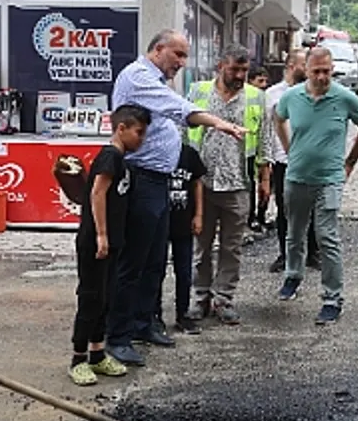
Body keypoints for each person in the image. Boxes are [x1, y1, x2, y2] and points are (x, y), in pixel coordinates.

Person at [108, 29, 247, 367]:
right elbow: (180, 109)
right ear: (158, 49)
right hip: (141, 180)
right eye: (178, 55)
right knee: (133, 264)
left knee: (155, 261)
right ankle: (118, 337)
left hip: (159, 183)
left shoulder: (156, 79)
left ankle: (144, 324)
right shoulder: (139, 77)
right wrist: (219, 123)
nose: (182, 63)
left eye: (185, 56)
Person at [274, 46, 358, 325]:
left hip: (329, 178)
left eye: (326, 71)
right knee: (294, 231)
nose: (321, 77)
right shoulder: (292, 97)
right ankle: (293, 276)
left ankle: (332, 297)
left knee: (327, 237)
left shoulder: (344, 98)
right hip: (297, 176)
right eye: (316, 71)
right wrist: (289, 148)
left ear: (332, 69)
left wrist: (350, 161)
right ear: (305, 69)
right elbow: (278, 118)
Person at [184, 45, 270, 325]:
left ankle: (224, 298)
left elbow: (264, 138)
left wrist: (265, 178)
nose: (240, 75)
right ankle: (200, 297)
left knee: (232, 247)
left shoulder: (256, 97)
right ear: (221, 65)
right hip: (203, 183)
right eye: (235, 69)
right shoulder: (198, 92)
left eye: (244, 70)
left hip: (238, 183)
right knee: (202, 245)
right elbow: (183, 131)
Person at [69, 104, 150, 385]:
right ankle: (78, 358)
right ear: (121, 128)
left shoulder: (123, 160)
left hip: (114, 241)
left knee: (106, 298)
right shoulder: (110, 157)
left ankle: (97, 353)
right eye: (139, 132)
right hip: (95, 242)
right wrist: (101, 234)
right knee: (90, 298)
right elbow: (97, 193)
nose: (142, 139)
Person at [265, 48, 320, 274]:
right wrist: (266, 160)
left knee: (313, 207)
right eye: (304, 65)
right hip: (283, 160)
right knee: (284, 209)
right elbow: (267, 128)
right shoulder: (272, 95)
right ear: (290, 66)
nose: (308, 70)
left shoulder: (314, 92)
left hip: (310, 159)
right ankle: (285, 254)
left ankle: (313, 252)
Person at [164, 141, 207, 334]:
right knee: (155, 270)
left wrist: (199, 215)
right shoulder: (156, 153)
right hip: (161, 222)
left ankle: (183, 314)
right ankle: (153, 315)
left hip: (184, 221)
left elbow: (197, 183)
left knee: (184, 272)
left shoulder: (188, 154)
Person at [248, 67, 270, 230]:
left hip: (261, 151)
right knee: (251, 187)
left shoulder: (264, 98)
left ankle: (260, 217)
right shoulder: (249, 99)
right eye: (260, 81)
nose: (264, 85)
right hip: (249, 153)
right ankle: (251, 219)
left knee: (264, 187)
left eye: (265, 81)